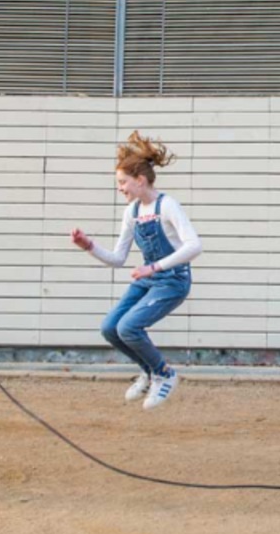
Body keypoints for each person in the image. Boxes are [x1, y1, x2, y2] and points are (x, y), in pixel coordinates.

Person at [72, 131, 201, 410]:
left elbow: (194, 246)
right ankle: (148, 370)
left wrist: (154, 266)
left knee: (129, 326)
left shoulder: (167, 205)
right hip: (148, 279)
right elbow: (118, 258)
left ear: (140, 180)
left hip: (172, 281)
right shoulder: (131, 212)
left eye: (123, 182)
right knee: (110, 328)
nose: (120, 188)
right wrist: (89, 246)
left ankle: (165, 374)